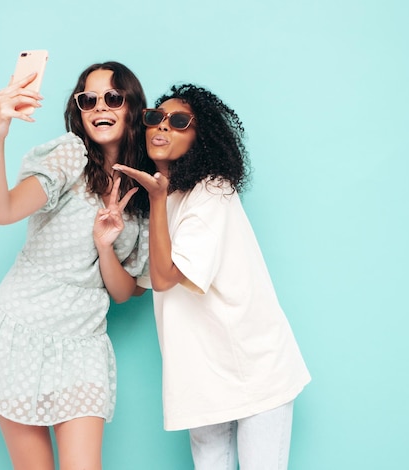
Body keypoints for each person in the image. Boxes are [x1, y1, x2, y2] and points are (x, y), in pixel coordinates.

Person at [0, 61, 151, 470]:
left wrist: (105, 245)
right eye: (88, 100)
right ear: (78, 110)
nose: (100, 107)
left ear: (132, 107)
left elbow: (124, 292)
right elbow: (1, 211)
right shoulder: (69, 157)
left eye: (113, 97)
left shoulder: (145, 190)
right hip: (20, 333)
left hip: (82, 343)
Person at [113, 84, 311, 470]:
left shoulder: (212, 191)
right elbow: (137, 285)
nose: (163, 126)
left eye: (180, 121)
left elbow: (167, 276)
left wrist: (154, 199)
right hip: (200, 380)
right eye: (156, 117)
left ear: (200, 138)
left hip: (255, 369)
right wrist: (106, 242)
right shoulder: (163, 200)